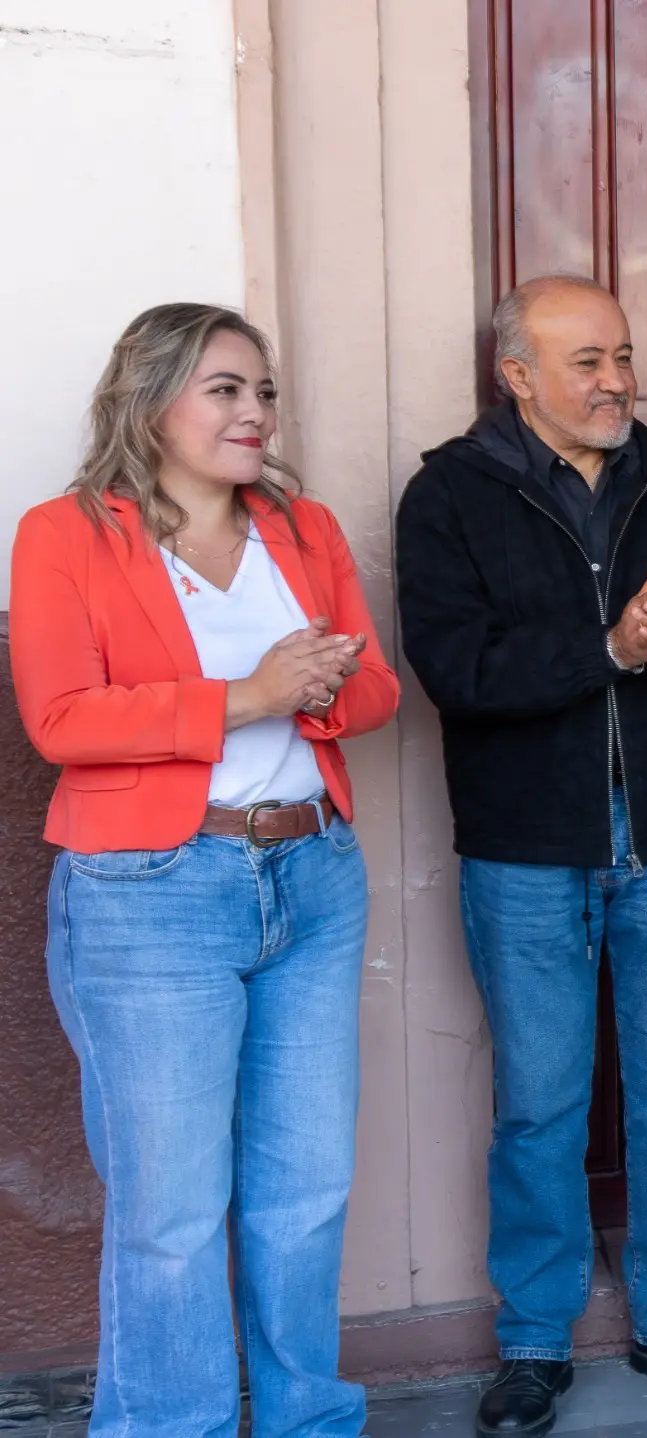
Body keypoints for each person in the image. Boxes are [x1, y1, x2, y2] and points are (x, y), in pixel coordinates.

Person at [396, 275, 647, 1428]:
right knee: (539, 1108)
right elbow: (458, 673)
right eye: (587, 361)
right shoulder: (449, 496)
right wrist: (608, 645)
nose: (617, 379)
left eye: (622, 354)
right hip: (526, 857)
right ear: (516, 374)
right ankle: (532, 1338)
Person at [9, 304, 395, 1433]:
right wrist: (250, 697)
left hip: (311, 872)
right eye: (226, 388)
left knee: (305, 1189)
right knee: (171, 1210)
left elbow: (374, 689)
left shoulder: (303, 527)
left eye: (263, 391)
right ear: (150, 398)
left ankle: (307, 1418)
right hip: (149, 895)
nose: (255, 413)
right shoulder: (66, 534)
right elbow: (60, 718)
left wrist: (321, 689)